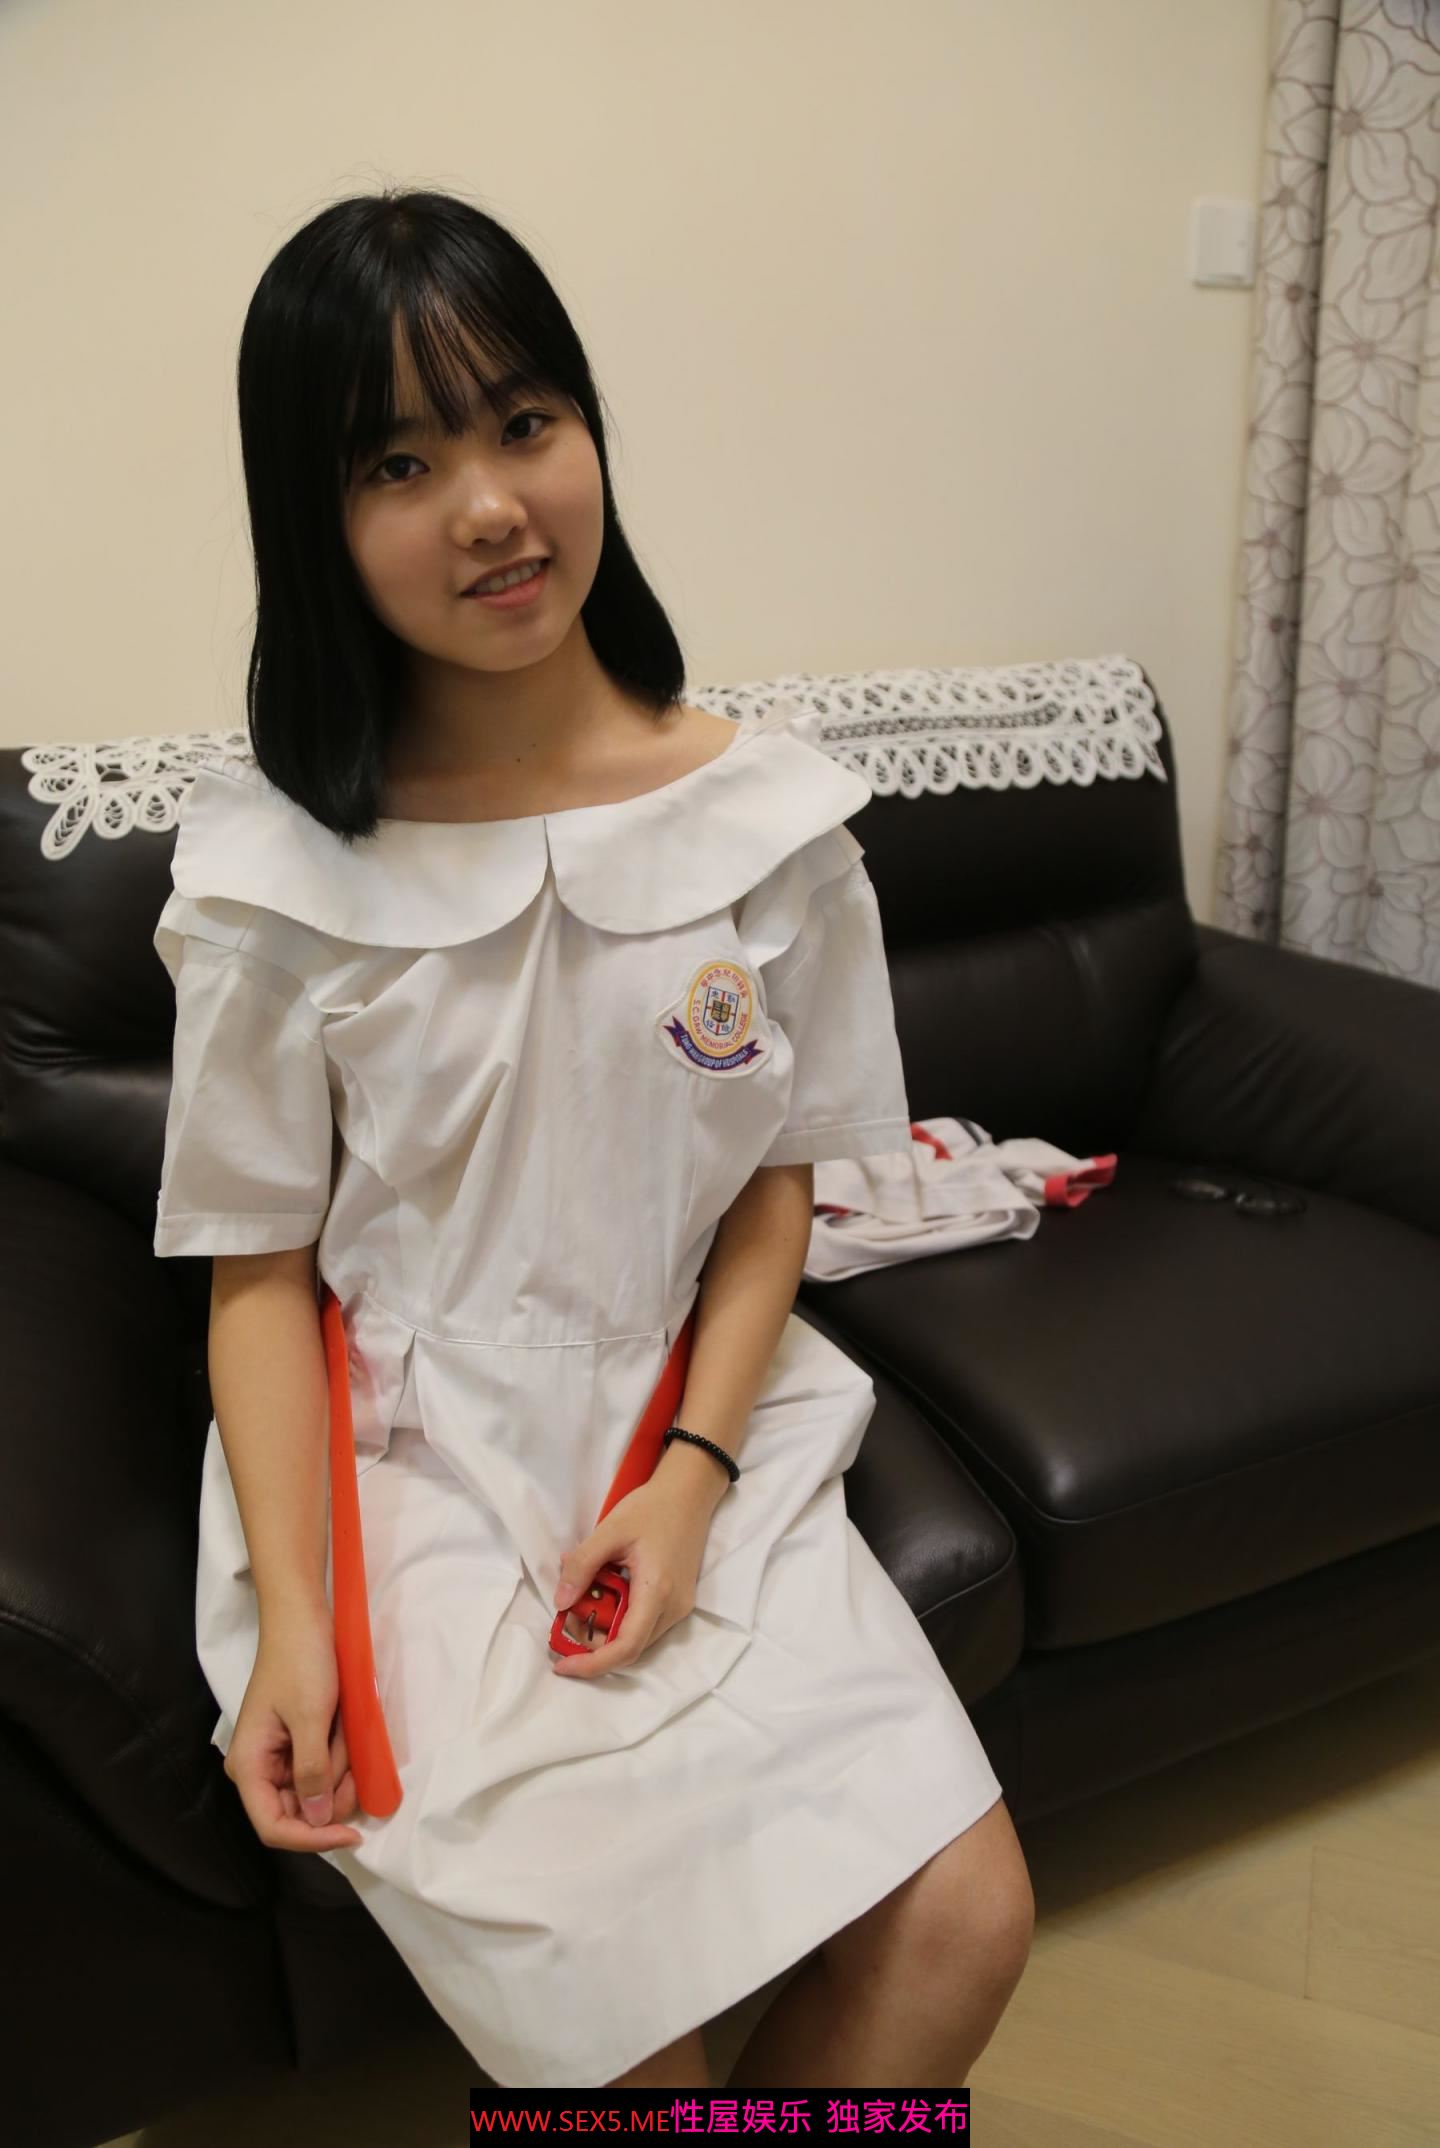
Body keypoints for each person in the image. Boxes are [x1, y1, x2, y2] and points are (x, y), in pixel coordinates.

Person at [152, 187, 1032, 2092]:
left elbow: (773, 1185)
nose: (490, 506)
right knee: (620, 2042)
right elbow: (258, 1277)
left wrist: (696, 1476)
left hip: (705, 1437)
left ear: (590, 435)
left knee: (966, 1921)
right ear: (316, 518)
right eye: (400, 462)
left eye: (526, 422)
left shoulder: (769, 823)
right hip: (407, 1488)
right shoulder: (268, 882)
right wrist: (297, 1628)